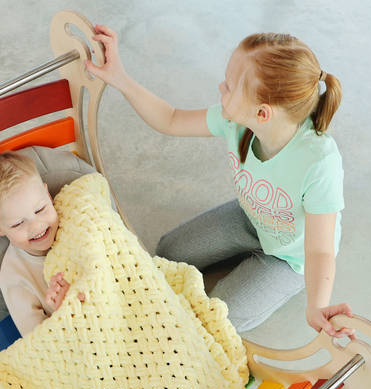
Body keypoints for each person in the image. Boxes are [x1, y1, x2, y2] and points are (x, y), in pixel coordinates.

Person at [86, 25, 354, 337]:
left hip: (291, 257)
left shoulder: (319, 161)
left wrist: (317, 305)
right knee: (169, 249)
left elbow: (320, 251)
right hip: (252, 219)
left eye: (228, 87)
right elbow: (171, 119)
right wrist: (120, 77)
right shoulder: (237, 121)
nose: (220, 88)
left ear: (262, 113)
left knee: (214, 320)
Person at [0, 152, 83, 335]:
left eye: (40, 209)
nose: (36, 226)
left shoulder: (74, 216)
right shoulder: (15, 278)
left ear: (48, 195)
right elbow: (37, 340)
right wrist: (64, 310)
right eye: (18, 223)